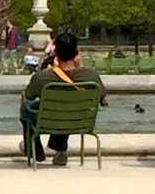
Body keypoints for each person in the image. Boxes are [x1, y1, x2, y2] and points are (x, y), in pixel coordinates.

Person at [20, 28, 104, 166]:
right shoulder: (91, 77)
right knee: (69, 105)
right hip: (79, 121)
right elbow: (102, 97)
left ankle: (34, 149)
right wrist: (81, 67)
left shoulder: (43, 77)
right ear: (76, 52)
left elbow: (29, 96)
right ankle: (60, 150)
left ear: (56, 52)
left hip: (49, 120)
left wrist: (51, 71)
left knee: (26, 108)